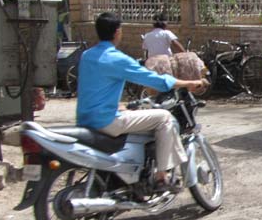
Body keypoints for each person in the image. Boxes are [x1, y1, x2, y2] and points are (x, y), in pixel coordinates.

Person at [77, 12, 207, 190]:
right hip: (106, 121)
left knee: (134, 114)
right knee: (164, 118)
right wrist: (190, 82)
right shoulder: (117, 59)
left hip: (85, 118)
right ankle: (162, 175)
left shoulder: (86, 55)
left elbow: (97, 86)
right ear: (117, 32)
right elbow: (155, 80)